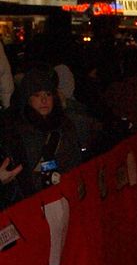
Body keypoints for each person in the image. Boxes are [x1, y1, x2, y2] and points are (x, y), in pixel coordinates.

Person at [6, 64, 82, 196]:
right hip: (35, 199)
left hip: (66, 191)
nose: (44, 100)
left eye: (48, 94)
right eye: (36, 95)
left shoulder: (65, 126)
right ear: (27, 100)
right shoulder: (18, 132)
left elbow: (75, 160)